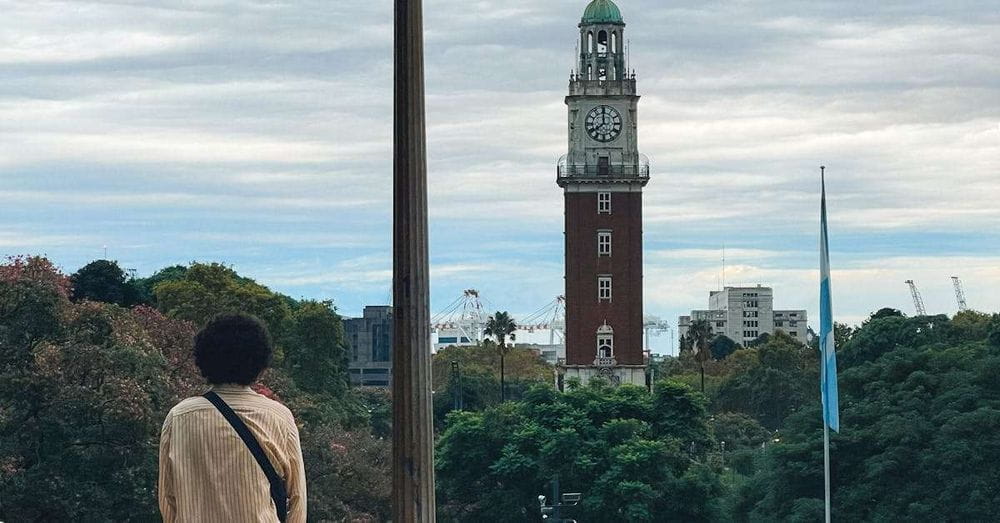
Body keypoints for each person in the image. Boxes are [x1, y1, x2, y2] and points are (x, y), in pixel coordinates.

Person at [158, 314, 306, 522]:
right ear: (260, 363)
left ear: (203, 360)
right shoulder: (278, 417)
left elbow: (168, 498)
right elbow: (297, 501)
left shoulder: (179, 416)